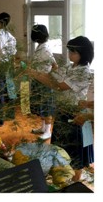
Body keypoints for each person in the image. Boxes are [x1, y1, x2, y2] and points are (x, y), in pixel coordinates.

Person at [26, 36, 94, 182]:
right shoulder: (71, 67)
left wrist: (34, 74)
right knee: (60, 147)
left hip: (75, 113)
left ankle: (75, 180)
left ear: (83, 53)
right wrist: (34, 72)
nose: (70, 55)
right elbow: (52, 77)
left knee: (74, 151)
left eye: (73, 52)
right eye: (69, 51)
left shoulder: (83, 72)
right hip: (63, 110)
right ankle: (62, 175)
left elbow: (59, 86)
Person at [28, 24, 56, 140]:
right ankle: (43, 127)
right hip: (38, 80)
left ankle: (48, 131)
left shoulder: (45, 50)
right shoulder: (40, 47)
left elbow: (55, 66)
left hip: (44, 82)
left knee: (46, 106)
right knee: (41, 106)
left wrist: (47, 77)